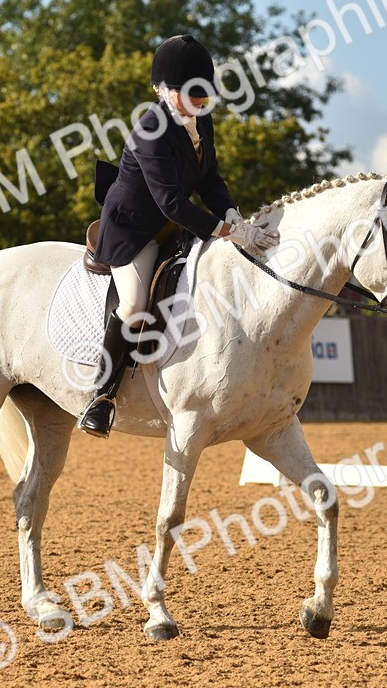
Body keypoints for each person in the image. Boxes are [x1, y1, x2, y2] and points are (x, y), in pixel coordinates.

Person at [78, 34, 280, 438]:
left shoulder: (200, 119)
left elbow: (210, 179)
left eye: (203, 95)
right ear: (162, 90)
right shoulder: (150, 129)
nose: (200, 102)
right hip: (133, 230)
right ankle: (101, 398)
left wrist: (232, 214)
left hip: (174, 224)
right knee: (134, 305)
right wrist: (228, 232)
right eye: (191, 94)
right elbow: (171, 201)